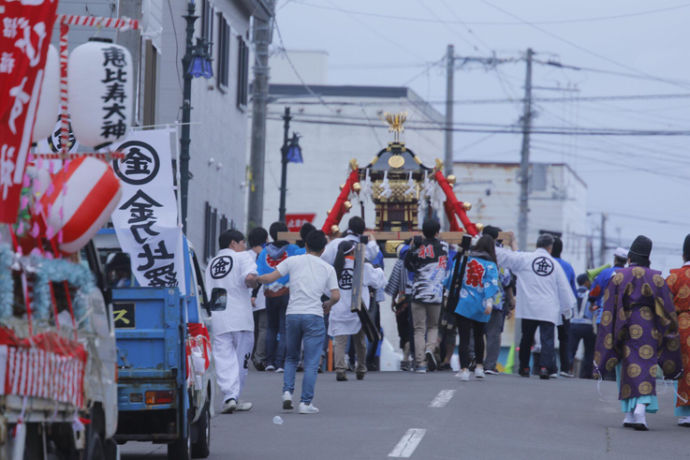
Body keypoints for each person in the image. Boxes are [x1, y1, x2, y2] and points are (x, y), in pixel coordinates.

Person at [595, 235, 682, 431]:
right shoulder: (657, 278)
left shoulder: (618, 276)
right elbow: (667, 310)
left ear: (630, 256)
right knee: (645, 367)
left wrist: (609, 332)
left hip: (623, 325)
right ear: (648, 257)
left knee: (624, 367)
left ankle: (628, 413)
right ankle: (640, 411)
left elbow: (609, 307)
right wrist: (667, 333)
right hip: (648, 327)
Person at [257, 230, 340, 414]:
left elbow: (269, 278)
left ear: (306, 245)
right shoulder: (327, 268)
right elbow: (336, 295)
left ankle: (287, 392)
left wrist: (254, 278)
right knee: (311, 361)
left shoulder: (292, 261)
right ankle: (305, 403)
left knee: (291, 357)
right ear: (324, 248)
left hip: (293, 314)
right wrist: (328, 304)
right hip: (314, 316)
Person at [496, 233, 576, 380]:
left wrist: (486, 243)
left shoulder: (525, 258)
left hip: (529, 306)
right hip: (548, 307)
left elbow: (506, 256)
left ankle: (524, 368)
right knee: (547, 339)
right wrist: (566, 309)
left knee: (526, 338)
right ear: (550, 248)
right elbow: (563, 289)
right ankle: (544, 368)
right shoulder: (555, 265)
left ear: (537, 245)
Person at [205, 229, 258, 413]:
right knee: (241, 358)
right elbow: (250, 278)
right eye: (242, 242)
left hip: (218, 316)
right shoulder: (242, 257)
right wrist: (255, 283)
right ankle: (234, 396)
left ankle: (229, 396)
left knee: (224, 357)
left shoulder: (211, 262)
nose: (244, 246)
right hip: (240, 316)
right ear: (233, 244)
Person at [329, 240, 386, 381]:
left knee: (340, 342)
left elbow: (327, 290)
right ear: (354, 252)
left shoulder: (333, 269)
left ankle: (340, 369)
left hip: (339, 310)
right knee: (360, 341)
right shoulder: (362, 267)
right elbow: (378, 281)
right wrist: (378, 269)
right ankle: (361, 368)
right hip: (358, 309)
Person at [447, 235, 499, 381]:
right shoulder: (490, 264)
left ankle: (464, 369)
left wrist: (447, 292)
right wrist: (489, 303)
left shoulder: (466, 259)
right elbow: (491, 284)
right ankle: (479, 367)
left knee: (463, 337)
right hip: (481, 304)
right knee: (479, 336)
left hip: (464, 302)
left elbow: (453, 275)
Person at [257, 222, 305, 372]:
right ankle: (280, 363)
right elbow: (307, 253)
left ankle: (269, 361)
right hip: (286, 292)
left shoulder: (264, 252)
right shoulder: (293, 249)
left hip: (269, 293)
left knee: (271, 327)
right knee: (284, 328)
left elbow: (259, 273)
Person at [404, 218, 449, 373]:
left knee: (418, 329)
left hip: (418, 294)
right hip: (436, 294)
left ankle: (420, 362)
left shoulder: (418, 247)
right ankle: (430, 348)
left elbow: (408, 265)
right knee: (433, 326)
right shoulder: (444, 246)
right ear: (437, 232)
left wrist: (413, 247)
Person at [481, 226, 515, 375]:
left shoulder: (474, 252)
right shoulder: (501, 254)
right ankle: (489, 365)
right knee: (493, 335)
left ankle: (472, 361)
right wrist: (511, 300)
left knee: (474, 333)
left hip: (475, 300)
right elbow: (506, 279)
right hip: (496, 301)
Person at [665, 234, 690, 427]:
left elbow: (663, 306)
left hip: (681, 326)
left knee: (683, 368)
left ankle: (684, 412)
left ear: (683, 254)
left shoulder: (674, 276)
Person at [385, 243, 415, 370]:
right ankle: (415, 355)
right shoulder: (417, 262)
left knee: (403, 329)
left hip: (402, 300)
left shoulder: (399, 263)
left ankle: (405, 356)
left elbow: (393, 285)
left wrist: (393, 300)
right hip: (417, 299)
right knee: (415, 328)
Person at [550, 237, 577, 378]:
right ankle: (565, 368)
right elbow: (573, 290)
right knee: (564, 338)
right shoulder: (567, 266)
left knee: (546, 336)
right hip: (564, 307)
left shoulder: (548, 263)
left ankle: (549, 366)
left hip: (547, 305)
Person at [248, 227, 269, 371]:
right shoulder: (265, 254)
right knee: (263, 328)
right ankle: (258, 356)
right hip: (261, 296)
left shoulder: (245, 255)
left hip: (246, 297)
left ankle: (250, 354)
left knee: (252, 328)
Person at [569, 273, 596, 379]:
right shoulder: (591, 293)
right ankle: (586, 374)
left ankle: (568, 369)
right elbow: (594, 308)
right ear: (585, 282)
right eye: (589, 281)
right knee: (589, 351)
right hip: (587, 325)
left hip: (574, 324)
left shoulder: (572, 293)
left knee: (571, 349)